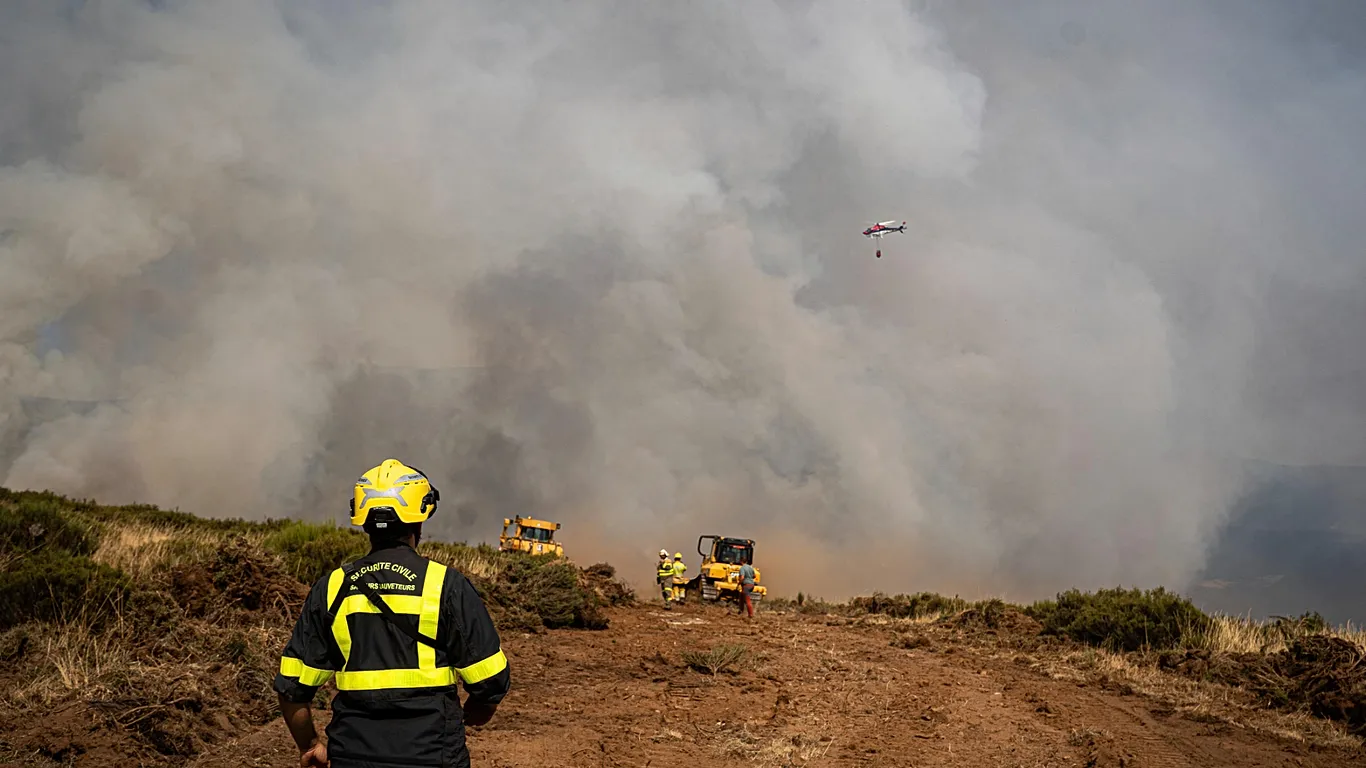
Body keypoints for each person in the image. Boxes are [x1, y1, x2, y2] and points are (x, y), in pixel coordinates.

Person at [273, 459, 511, 768]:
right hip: (432, 756)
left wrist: (311, 745)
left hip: (351, 755)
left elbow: (292, 689)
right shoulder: (446, 585)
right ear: (420, 516)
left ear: (363, 518)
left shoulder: (331, 588)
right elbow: (491, 681)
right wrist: (471, 716)